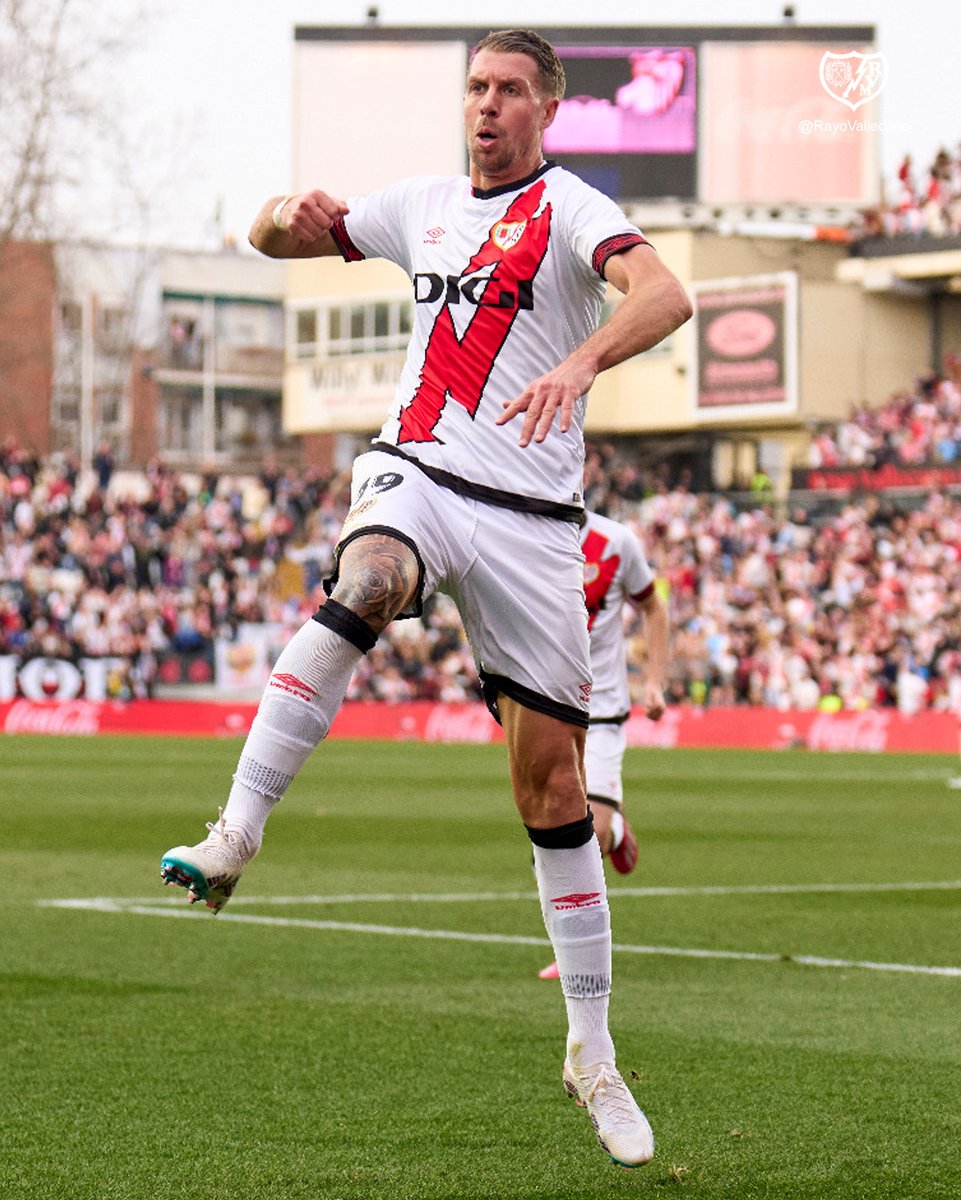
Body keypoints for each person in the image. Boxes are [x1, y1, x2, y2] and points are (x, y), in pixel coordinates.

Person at [159, 28, 691, 1170]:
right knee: (370, 574)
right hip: (419, 473)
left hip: (533, 521)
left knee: (550, 785)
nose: (487, 105)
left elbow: (666, 295)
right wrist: (276, 217)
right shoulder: (420, 206)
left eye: (509, 90)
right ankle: (236, 832)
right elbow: (272, 239)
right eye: (475, 88)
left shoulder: (573, 212)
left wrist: (582, 361)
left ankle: (591, 1054)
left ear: (547, 108)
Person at [538, 509, 669, 981]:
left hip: (605, 708)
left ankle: (573, 948)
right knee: (550, 830)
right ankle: (615, 834)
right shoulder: (520, 535)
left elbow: (653, 607)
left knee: (584, 834)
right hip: (543, 705)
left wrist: (653, 683)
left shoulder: (615, 542)